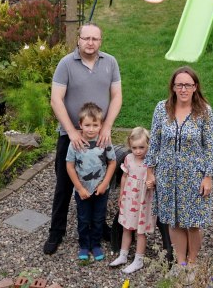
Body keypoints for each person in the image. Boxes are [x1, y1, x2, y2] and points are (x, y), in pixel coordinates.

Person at [44, 22, 122, 255]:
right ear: (78, 40)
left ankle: (99, 228)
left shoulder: (110, 63)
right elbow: (56, 99)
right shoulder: (66, 64)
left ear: (101, 41)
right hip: (72, 136)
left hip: (99, 137)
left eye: (95, 39)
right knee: (64, 186)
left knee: (99, 183)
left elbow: (117, 96)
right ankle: (56, 232)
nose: (90, 43)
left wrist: (107, 126)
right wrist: (71, 131)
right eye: (86, 38)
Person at [144, 66, 213, 276]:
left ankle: (192, 263)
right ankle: (181, 263)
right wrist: (150, 172)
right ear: (173, 87)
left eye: (188, 85)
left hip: (193, 176)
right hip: (166, 175)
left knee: (192, 222)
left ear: (195, 87)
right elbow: (154, 143)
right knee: (173, 221)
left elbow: (209, 148)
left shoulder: (205, 112)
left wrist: (208, 177)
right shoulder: (161, 109)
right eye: (179, 85)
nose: (183, 89)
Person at [66, 102, 117, 264]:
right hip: (82, 191)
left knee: (98, 218)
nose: (91, 129)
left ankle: (95, 244)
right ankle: (84, 245)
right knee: (83, 218)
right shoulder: (75, 144)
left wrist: (104, 184)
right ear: (80, 125)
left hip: (101, 190)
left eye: (95, 125)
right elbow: (70, 166)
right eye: (87, 125)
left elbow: (112, 163)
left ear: (101, 125)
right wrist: (79, 188)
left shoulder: (104, 142)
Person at [109, 126, 154, 274]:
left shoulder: (151, 161)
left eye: (142, 147)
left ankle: (138, 260)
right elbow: (124, 176)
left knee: (140, 231)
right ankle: (123, 255)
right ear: (130, 146)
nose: (138, 151)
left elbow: (154, 178)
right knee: (127, 227)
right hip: (129, 198)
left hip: (143, 200)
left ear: (148, 144)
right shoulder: (128, 158)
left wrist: (151, 182)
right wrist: (121, 194)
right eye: (134, 148)